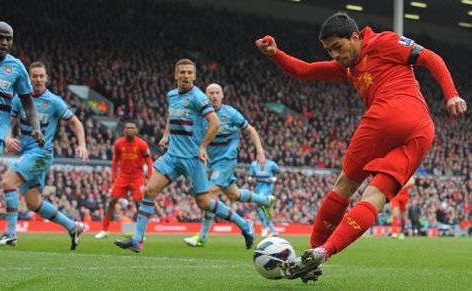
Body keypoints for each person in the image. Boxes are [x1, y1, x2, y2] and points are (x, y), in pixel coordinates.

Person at [255, 12, 467, 281]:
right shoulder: (347, 66)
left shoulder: (383, 42)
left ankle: (311, 249)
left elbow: (429, 57)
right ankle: (322, 253)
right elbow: (306, 71)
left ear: (355, 37)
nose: (334, 55)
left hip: (389, 114)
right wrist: (276, 53)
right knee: (375, 197)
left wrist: (452, 94)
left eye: (337, 47)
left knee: (344, 185)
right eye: (329, 50)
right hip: (422, 131)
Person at [114, 59, 254, 253]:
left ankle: (244, 225)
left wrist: (203, 146)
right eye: (183, 72)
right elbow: (172, 115)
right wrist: (166, 134)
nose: (186, 76)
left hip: (192, 159)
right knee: (149, 191)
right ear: (176, 74)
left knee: (204, 203)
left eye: (190, 72)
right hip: (172, 156)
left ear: (194, 76)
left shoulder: (198, 97)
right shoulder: (172, 95)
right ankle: (137, 240)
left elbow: (214, 123)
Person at [0, 61, 87, 250]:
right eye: (34, 76)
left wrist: (81, 145)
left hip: (41, 153)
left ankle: (10, 233)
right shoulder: (20, 100)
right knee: (34, 203)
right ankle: (73, 227)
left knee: (8, 182)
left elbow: (76, 123)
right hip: (28, 153)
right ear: (29, 78)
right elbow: (7, 123)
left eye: (42, 76)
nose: (38, 79)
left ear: (47, 78)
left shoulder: (54, 102)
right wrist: (8, 137)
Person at [183, 83, 275, 247]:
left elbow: (251, 130)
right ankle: (266, 200)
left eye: (217, 92)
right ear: (206, 96)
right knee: (234, 194)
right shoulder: (201, 115)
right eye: (211, 93)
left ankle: (202, 237)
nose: (214, 96)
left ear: (222, 95)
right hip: (209, 160)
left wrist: (260, 151)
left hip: (226, 159)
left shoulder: (231, 113)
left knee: (208, 194)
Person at [0, 22, 44, 218]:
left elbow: (28, 103)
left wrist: (36, 127)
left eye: (8, 38)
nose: (4, 42)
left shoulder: (16, 68)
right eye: (0, 37)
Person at [94, 119, 153, 239]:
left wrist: (150, 178)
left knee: (139, 203)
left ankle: (140, 233)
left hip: (137, 177)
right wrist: (113, 176)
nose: (130, 130)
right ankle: (105, 230)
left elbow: (149, 162)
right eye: (128, 128)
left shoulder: (142, 144)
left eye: (132, 128)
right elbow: (115, 161)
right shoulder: (118, 143)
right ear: (124, 130)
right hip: (123, 177)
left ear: (136, 130)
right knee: (112, 201)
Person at [248, 157, 279, 237]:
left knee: (258, 205)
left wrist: (273, 179)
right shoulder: (254, 164)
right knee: (263, 208)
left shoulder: (271, 164)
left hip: (267, 188)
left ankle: (265, 227)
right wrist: (250, 179)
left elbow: (279, 172)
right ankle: (272, 229)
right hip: (258, 188)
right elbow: (251, 175)